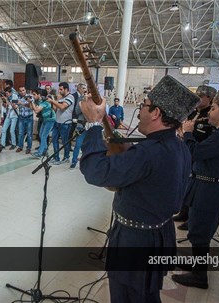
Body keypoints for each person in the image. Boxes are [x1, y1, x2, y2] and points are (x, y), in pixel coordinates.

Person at [79, 75, 200, 302]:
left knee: (127, 296)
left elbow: (94, 171)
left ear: (156, 113)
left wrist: (93, 124)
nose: (140, 111)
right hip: (159, 234)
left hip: (136, 242)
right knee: (146, 295)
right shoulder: (178, 146)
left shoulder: (149, 153)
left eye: (144, 106)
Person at [172, 89, 219, 289]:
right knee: (198, 231)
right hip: (206, 187)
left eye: (213, 108)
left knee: (200, 234)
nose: (209, 112)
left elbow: (196, 152)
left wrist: (187, 133)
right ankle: (197, 265)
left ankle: (199, 276)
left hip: (210, 192)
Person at [174, 85, 217, 230]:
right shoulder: (192, 112)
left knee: (195, 189)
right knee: (184, 184)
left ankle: (191, 218)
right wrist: (181, 132)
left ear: (210, 99)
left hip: (199, 154)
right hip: (185, 151)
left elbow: (210, 138)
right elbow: (182, 125)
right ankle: (183, 212)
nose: (198, 98)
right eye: (197, 95)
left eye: (202, 96)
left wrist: (188, 135)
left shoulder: (211, 116)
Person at [29, 89, 55, 158]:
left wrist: (32, 102)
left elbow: (37, 111)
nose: (33, 96)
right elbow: (32, 108)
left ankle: (40, 153)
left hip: (50, 120)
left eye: (34, 94)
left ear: (39, 95)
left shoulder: (45, 101)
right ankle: (45, 151)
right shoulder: (40, 101)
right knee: (41, 135)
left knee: (43, 136)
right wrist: (31, 102)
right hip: (45, 119)